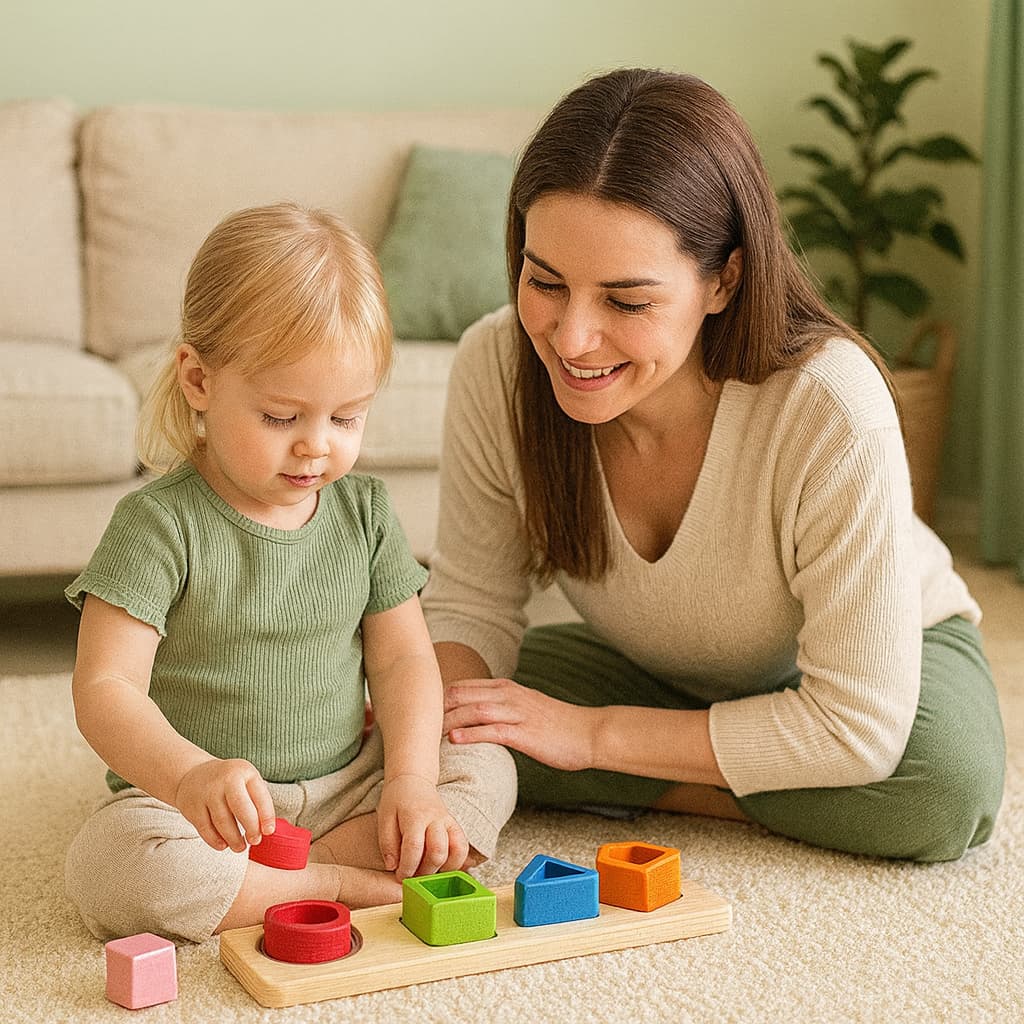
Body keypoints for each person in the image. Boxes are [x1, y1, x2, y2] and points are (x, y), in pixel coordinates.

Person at [425, 68, 1005, 863]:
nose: (571, 338)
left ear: (724, 280)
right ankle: (726, 778)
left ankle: (650, 778)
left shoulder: (828, 405)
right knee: (390, 707)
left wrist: (591, 737)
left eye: (626, 301)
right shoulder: (495, 363)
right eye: (545, 282)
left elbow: (859, 728)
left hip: (856, 665)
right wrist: (449, 753)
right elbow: (469, 606)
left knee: (940, 791)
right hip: (648, 672)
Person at [64, 203, 515, 943]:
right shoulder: (157, 524)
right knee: (111, 865)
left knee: (484, 765)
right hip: (211, 811)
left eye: (346, 418)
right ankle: (329, 883)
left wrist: (408, 782)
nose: (316, 447)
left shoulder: (365, 512)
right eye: (281, 417)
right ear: (199, 380)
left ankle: (296, 871)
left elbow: (404, 661)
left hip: (349, 784)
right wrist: (188, 776)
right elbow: (105, 689)